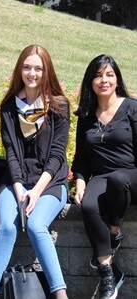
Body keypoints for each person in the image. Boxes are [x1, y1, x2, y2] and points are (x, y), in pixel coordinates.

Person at [0, 45, 70, 299]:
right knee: (8, 228)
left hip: (50, 181)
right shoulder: (10, 107)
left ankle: (60, 294)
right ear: (20, 69)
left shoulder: (58, 106)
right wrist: (20, 188)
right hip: (16, 181)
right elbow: (10, 151)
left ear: (47, 72)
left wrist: (37, 191)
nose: (32, 73)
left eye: (38, 68)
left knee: (36, 225)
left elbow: (57, 154)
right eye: (27, 67)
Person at [71, 54, 136, 299]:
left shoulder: (132, 108)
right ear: (90, 81)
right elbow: (82, 157)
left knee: (119, 180)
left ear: (117, 79)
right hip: (101, 175)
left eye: (109, 74)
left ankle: (113, 230)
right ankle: (108, 271)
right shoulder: (86, 116)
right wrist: (79, 181)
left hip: (132, 175)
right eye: (98, 75)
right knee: (88, 205)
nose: (104, 80)